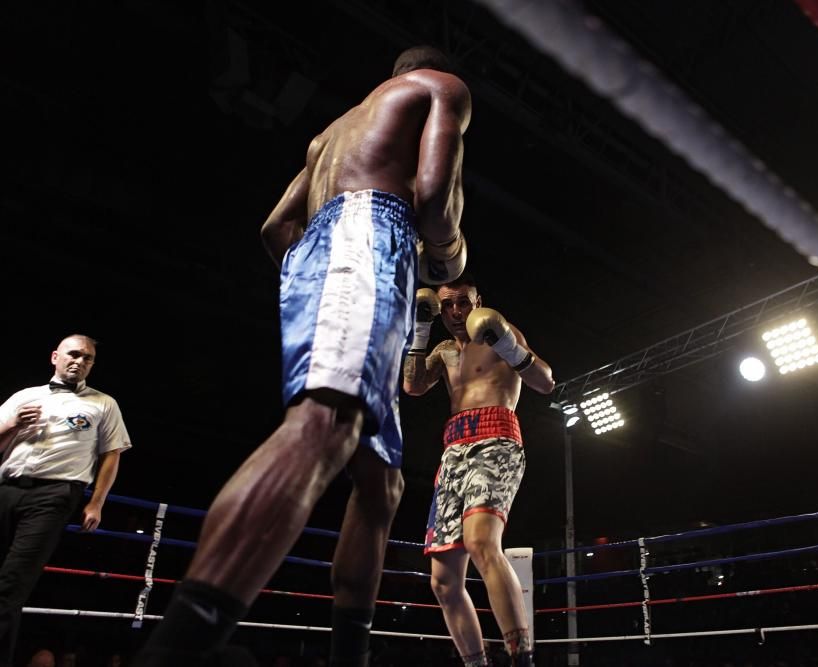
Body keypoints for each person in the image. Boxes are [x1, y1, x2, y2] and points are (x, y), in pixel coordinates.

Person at [133, 45, 471, 667]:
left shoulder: (332, 132)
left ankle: (350, 657)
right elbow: (432, 203)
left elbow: (274, 230)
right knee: (327, 424)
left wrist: (324, 268)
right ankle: (176, 648)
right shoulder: (441, 88)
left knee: (381, 482)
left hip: (326, 248)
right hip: (369, 236)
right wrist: (450, 256)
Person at [402, 274, 555, 667]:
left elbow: (545, 382)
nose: (456, 312)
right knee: (443, 580)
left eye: (464, 303)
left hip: (497, 438)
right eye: (446, 305)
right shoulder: (443, 352)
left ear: (478, 301)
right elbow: (413, 386)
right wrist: (419, 327)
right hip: (453, 450)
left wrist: (506, 343)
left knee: (482, 542)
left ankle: (522, 657)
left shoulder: (499, 334)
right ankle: (477, 663)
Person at [0, 335, 130, 667]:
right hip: (5, 485)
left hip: (54, 495)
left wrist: (96, 502)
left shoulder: (103, 403)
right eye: (74, 354)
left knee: (11, 585)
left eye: (87, 358)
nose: (80, 361)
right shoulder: (25, 396)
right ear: (55, 356)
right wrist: (13, 425)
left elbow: (111, 456)